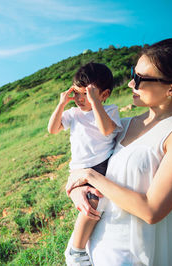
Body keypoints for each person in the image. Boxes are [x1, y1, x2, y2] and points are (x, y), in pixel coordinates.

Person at [66, 37, 172, 266]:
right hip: (97, 246)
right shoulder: (123, 125)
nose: (130, 84)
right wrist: (78, 189)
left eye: (139, 79)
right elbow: (85, 162)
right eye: (133, 74)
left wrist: (90, 176)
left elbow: (152, 210)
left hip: (138, 255)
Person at [48, 62, 122, 265]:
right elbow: (52, 129)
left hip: (102, 165)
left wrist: (95, 103)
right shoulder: (73, 114)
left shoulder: (110, 110)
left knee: (96, 204)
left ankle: (83, 245)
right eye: (78, 94)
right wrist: (62, 104)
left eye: (87, 94)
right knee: (90, 206)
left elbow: (105, 129)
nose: (81, 99)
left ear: (104, 95)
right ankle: (76, 250)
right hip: (80, 169)